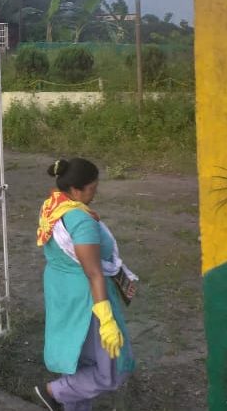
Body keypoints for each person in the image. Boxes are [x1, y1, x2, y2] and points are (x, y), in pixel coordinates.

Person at [34, 158, 137, 411]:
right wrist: (106, 318)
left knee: (81, 363)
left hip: (62, 293)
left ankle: (67, 400)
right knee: (113, 369)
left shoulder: (53, 205)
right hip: (87, 299)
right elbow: (94, 273)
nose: (95, 192)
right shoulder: (81, 222)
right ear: (76, 190)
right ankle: (53, 393)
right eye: (92, 188)